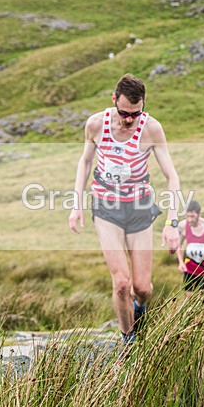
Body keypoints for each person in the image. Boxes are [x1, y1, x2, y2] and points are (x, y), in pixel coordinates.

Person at [69, 74, 180, 343]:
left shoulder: (152, 129)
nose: (129, 120)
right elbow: (85, 162)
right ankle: (128, 342)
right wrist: (76, 204)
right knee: (121, 282)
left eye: (135, 113)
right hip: (106, 207)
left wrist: (172, 222)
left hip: (139, 208)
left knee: (142, 288)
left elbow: (171, 176)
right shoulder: (96, 124)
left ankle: (139, 309)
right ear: (114, 100)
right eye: (124, 113)